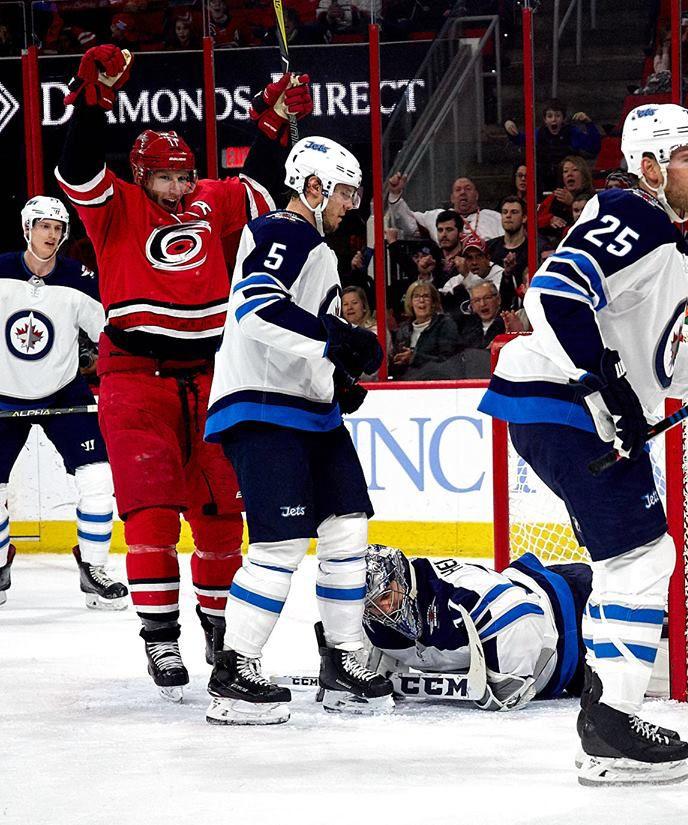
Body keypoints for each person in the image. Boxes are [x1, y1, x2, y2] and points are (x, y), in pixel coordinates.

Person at [478, 104, 688, 785]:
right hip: (565, 402)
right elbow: (553, 294)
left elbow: (659, 366)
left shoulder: (666, 240)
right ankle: (610, 720)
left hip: (564, 405)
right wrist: (602, 383)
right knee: (645, 553)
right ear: (650, 167)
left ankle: (606, 715)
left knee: (635, 555)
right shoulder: (635, 212)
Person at [55, 44, 310, 701]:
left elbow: (254, 181)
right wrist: (93, 99)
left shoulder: (211, 202)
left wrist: (274, 121)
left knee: (224, 515)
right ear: (140, 177)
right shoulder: (113, 207)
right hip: (135, 379)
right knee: (152, 515)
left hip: (213, 376)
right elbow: (78, 163)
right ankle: (159, 638)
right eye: (164, 178)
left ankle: (221, 637)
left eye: (184, 175)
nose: (176, 187)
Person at [203, 136, 390, 724]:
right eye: (344, 192)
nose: (350, 205)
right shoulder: (286, 228)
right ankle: (236, 668)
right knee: (280, 543)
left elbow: (298, 325)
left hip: (307, 407)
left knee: (346, 529)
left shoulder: (316, 246)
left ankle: (342, 659)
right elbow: (256, 306)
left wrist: (332, 375)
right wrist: (336, 340)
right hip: (263, 405)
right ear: (313, 186)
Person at [0, 197, 126, 610]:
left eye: (58, 228)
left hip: (63, 392)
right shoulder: (0, 270)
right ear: (26, 229)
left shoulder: (78, 277)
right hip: (4, 393)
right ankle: (1, 563)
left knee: (97, 481)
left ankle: (93, 569)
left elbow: (107, 333)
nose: (51, 235)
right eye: (44, 226)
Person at [363, 545, 593, 710]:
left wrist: (511, 675)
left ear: (401, 578)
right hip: (571, 670)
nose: (383, 609)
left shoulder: (446, 590)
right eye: (371, 605)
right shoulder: (373, 622)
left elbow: (521, 609)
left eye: (385, 595)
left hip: (577, 606)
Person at [504, 99, 601, 193]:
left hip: (567, 184)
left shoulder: (571, 132)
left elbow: (594, 147)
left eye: (558, 116)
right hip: (543, 182)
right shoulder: (539, 134)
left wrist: (588, 123)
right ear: (545, 120)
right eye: (550, 116)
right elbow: (520, 139)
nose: (554, 119)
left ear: (563, 118)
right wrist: (508, 125)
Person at [386, 174, 503, 243]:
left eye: (468, 189)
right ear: (452, 198)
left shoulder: (495, 218)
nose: (463, 192)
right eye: (458, 190)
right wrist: (395, 194)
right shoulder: (438, 217)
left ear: (476, 195)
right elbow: (408, 223)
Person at [390, 282, 460, 379]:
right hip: (406, 385)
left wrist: (414, 358)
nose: (421, 300)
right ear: (410, 302)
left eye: (426, 296)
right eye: (416, 296)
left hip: (436, 384)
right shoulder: (403, 330)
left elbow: (448, 361)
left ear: (433, 302)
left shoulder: (445, 324)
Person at [536, 156, 595, 245]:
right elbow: (534, 221)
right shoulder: (555, 197)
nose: (569, 174)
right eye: (565, 171)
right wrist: (549, 219)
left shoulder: (594, 199)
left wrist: (572, 203)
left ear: (584, 175)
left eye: (575, 170)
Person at [486, 196, 533, 294]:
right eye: (505, 212)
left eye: (514, 212)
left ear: (524, 218)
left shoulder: (532, 248)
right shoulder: (489, 247)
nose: (508, 215)